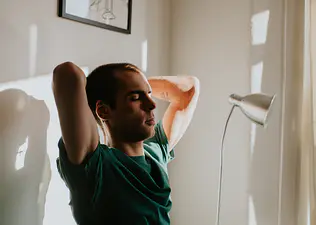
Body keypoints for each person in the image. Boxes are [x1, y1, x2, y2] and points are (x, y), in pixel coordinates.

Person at [52, 61, 200, 225]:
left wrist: (137, 81)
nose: (152, 105)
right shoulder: (96, 166)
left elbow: (189, 89)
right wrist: (100, 88)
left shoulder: (156, 151)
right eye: (135, 98)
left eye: (149, 94)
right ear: (104, 110)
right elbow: (68, 73)